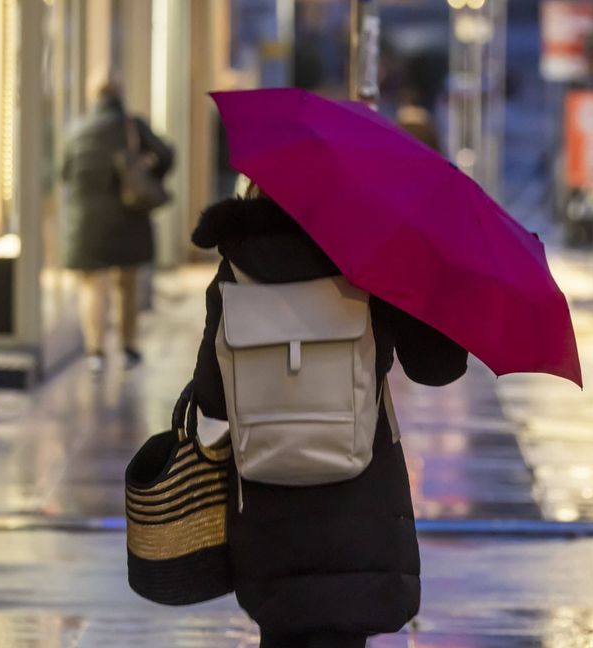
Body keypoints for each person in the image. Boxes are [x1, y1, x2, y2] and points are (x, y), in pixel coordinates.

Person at [190, 185, 468, 648]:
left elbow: (213, 400)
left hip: (266, 513)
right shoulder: (372, 260)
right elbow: (436, 366)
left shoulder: (235, 267)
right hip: (359, 511)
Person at [60, 76, 174, 372]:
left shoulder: (78, 130)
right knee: (127, 283)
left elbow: (64, 173)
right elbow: (166, 154)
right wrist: (147, 172)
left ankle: (95, 352)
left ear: (93, 95)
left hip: (87, 221)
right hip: (128, 216)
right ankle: (128, 348)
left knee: (92, 286)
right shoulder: (131, 126)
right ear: (120, 94)